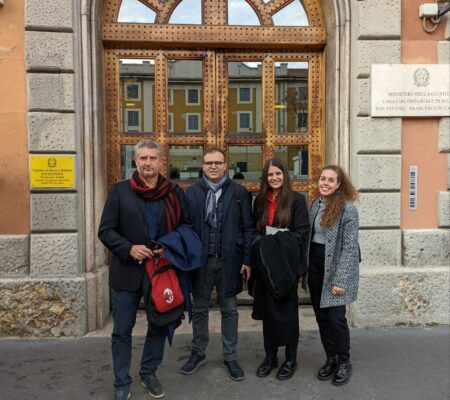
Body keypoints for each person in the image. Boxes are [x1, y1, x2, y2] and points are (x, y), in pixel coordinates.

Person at [98, 140, 187, 400]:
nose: (148, 163)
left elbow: (185, 227)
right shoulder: (119, 191)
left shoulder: (174, 193)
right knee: (122, 330)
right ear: (135, 162)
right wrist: (129, 248)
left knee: (158, 325)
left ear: (161, 161)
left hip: (160, 273)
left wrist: (168, 246)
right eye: (142, 158)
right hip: (126, 272)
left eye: (152, 158)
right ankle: (121, 382)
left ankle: (148, 372)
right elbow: (105, 231)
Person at [180, 147, 254, 381]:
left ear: (225, 165)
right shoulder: (191, 194)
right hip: (200, 263)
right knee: (199, 310)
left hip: (229, 261)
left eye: (218, 162)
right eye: (209, 162)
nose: (213, 166)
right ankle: (198, 352)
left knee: (230, 311)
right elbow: (185, 229)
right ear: (202, 166)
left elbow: (248, 228)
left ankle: (230, 357)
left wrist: (247, 259)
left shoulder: (240, 193)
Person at [250, 158, 309, 381]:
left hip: (286, 267)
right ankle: (270, 357)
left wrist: (274, 239)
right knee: (268, 313)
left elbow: (301, 233)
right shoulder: (260, 201)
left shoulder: (297, 201)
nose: (274, 178)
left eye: (278, 174)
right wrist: (260, 242)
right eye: (270, 175)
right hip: (266, 266)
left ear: (285, 175)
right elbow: (255, 230)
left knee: (287, 315)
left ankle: (290, 359)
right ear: (265, 178)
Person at [308, 165, 359, 386]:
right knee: (321, 318)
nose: (325, 183)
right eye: (322, 179)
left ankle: (345, 362)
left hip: (336, 268)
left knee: (336, 318)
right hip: (315, 267)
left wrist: (340, 280)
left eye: (331, 180)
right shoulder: (315, 205)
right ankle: (331, 358)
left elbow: (349, 248)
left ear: (339, 184)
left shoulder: (348, 210)